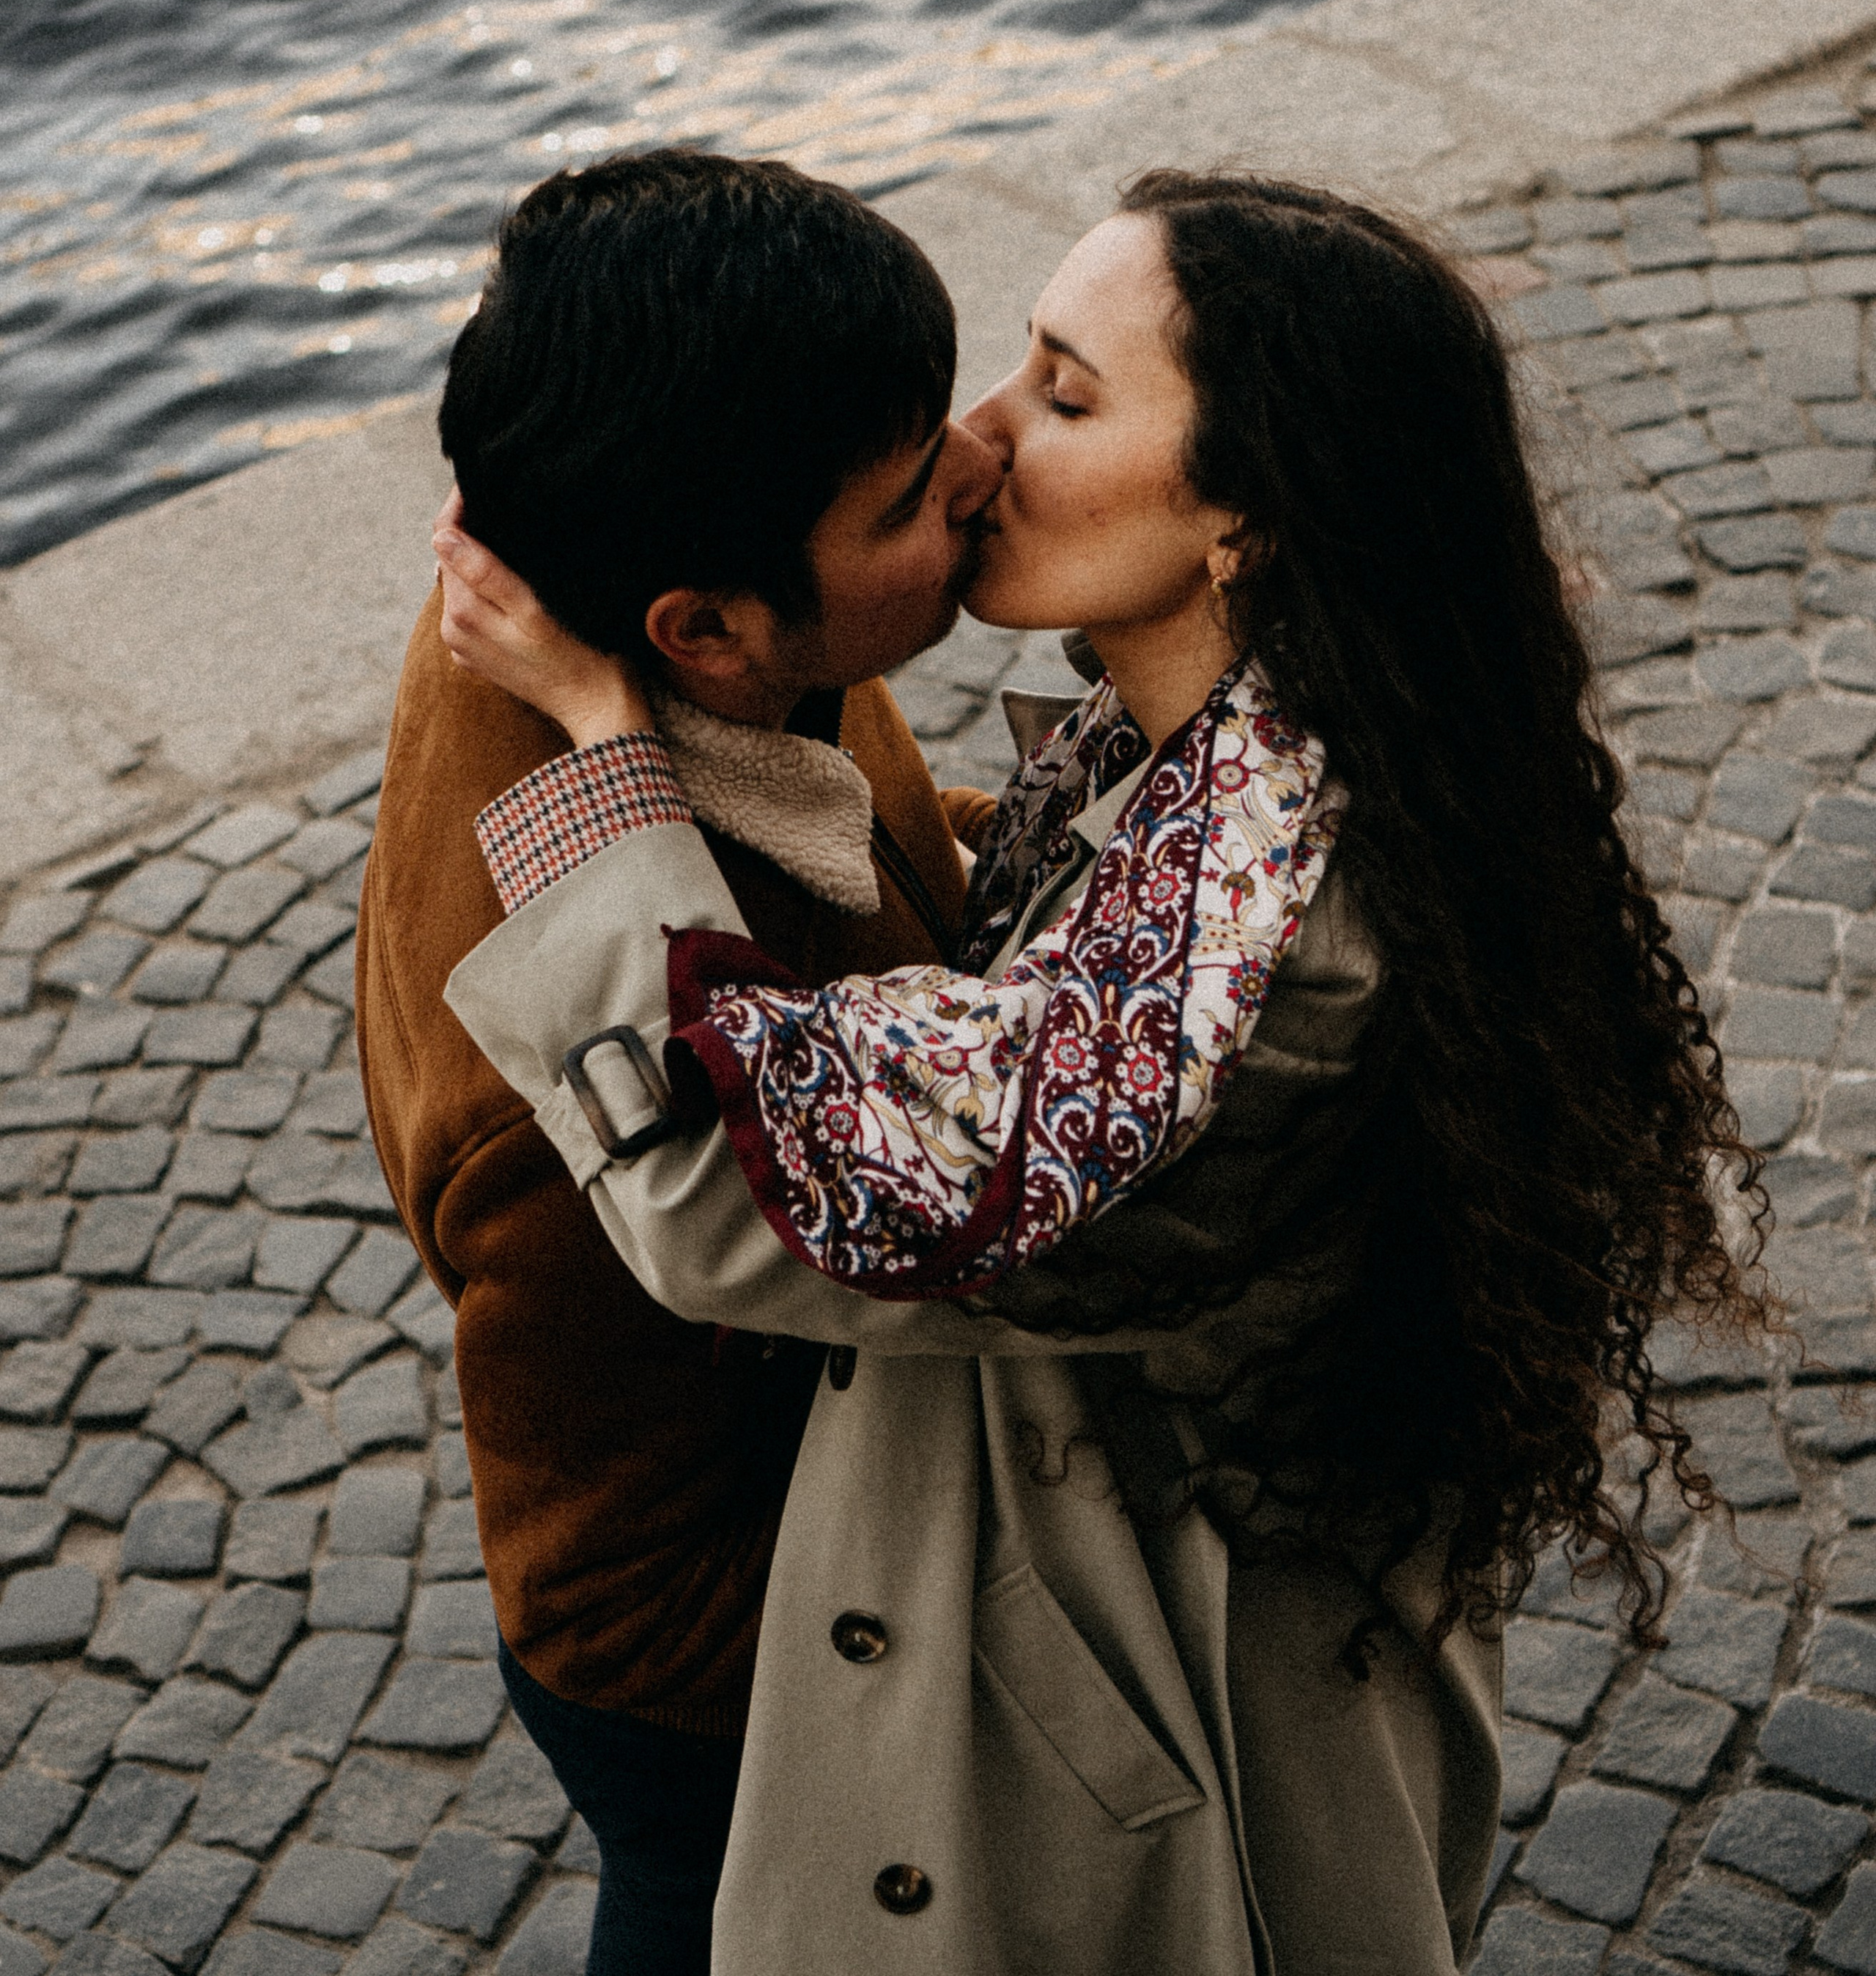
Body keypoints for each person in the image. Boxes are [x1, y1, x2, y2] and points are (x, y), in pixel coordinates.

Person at [438, 169, 1772, 1976]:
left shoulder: (1269, 948)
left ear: (1247, 522)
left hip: (1150, 1744)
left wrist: (605, 754)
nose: (982, 444)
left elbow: (724, 1203)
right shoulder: (1262, 751)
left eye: (1067, 397)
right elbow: (1036, 951)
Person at [354, 150, 1005, 1976]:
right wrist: (928, 1689)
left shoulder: (594, 552)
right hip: (713, 1684)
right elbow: (610, 1594)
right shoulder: (568, 1114)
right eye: (904, 500)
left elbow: (864, 840)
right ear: (705, 635)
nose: (977, 472)